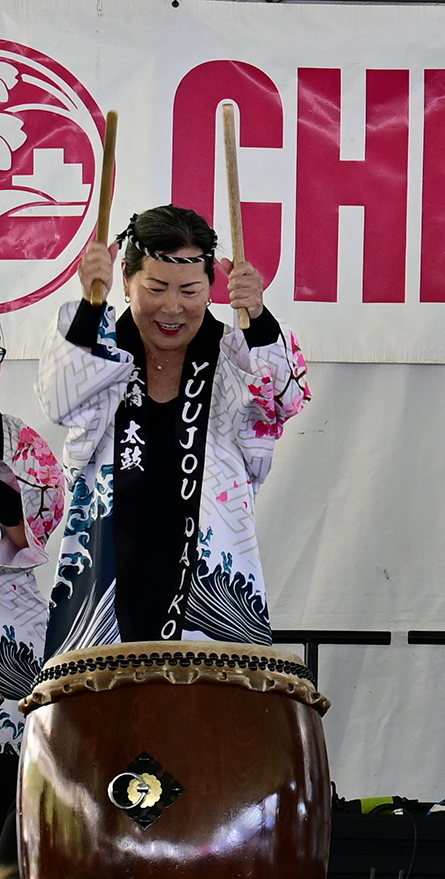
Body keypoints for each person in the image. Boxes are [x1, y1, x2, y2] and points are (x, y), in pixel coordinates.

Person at [37, 206, 309, 654]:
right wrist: (90, 303)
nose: (172, 307)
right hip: (100, 595)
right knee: (97, 720)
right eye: (156, 287)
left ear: (211, 289)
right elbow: (59, 397)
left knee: (212, 723)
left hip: (212, 592)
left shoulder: (234, 359)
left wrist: (257, 315)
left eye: (189, 290)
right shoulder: (101, 353)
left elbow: (286, 398)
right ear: (126, 280)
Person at [0, 332, 65, 867]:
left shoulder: (21, 443)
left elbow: (32, 541)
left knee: (19, 764)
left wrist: (6, 504)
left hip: (10, 607)